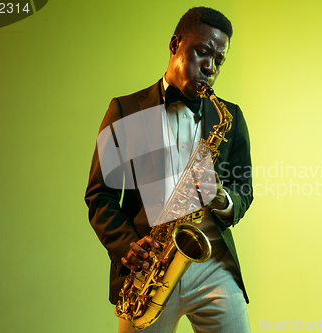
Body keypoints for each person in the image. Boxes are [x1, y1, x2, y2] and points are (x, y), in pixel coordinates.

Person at [85, 7, 253, 333]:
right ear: (176, 44)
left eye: (219, 60)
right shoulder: (125, 110)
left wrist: (221, 197)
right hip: (149, 269)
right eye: (203, 52)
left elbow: (243, 189)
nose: (210, 66)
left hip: (212, 263)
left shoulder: (228, 117)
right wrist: (126, 247)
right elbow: (100, 194)